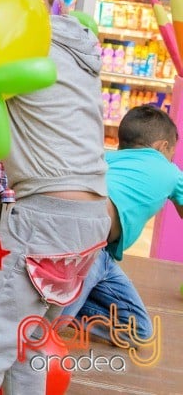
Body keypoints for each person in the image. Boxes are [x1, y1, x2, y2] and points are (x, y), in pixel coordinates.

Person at [0, 0, 111, 394]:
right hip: (91, 220)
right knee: (31, 341)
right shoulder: (76, 43)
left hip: (45, 218)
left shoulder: (25, 47)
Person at [61, 105, 183, 343]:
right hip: (88, 245)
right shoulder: (170, 171)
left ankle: (66, 307)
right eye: (172, 152)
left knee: (140, 330)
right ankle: (55, 314)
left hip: (98, 251)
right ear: (162, 147)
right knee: (45, 329)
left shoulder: (107, 159)